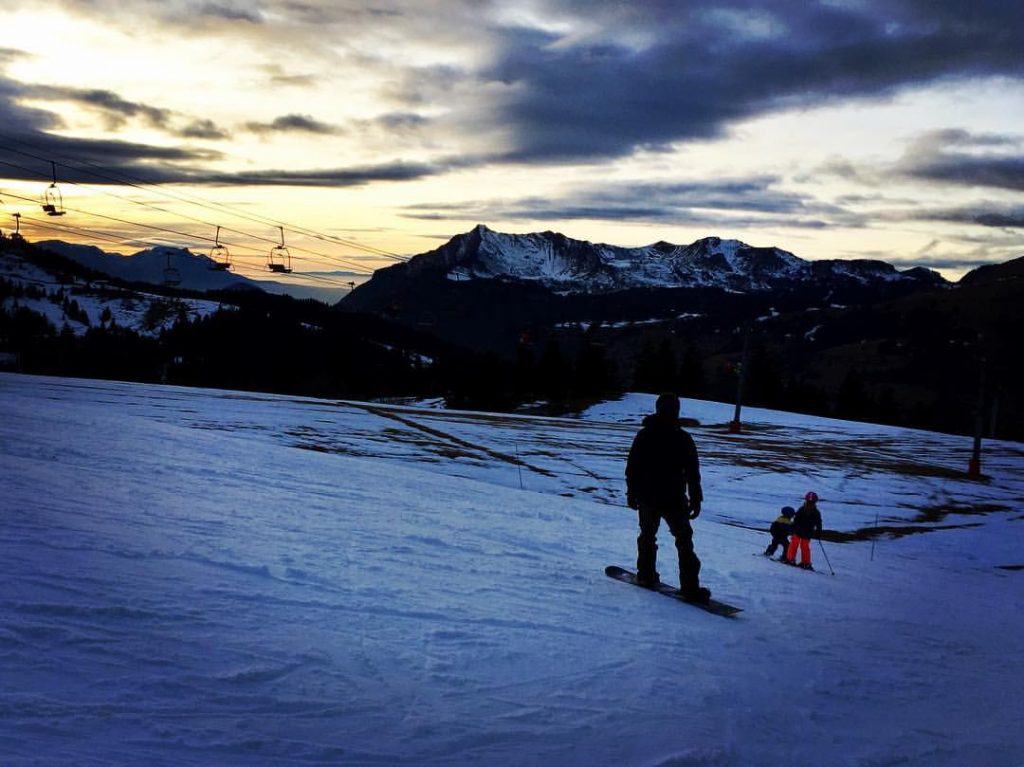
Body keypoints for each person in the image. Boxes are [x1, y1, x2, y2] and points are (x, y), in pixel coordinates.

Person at [625, 392, 709, 603]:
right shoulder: (682, 438)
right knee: (682, 541)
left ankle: (646, 575)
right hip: (671, 499)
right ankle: (689, 587)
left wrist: (632, 493)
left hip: (650, 497)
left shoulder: (646, 435)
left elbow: (632, 468)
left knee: (648, 536)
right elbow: (692, 473)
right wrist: (696, 499)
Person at [784, 492, 823, 570]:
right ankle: (805, 562)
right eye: (809, 501)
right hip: (804, 531)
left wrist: (819, 531)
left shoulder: (804, 510)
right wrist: (819, 532)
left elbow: (796, 520)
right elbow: (818, 523)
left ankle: (793, 560)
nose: (810, 503)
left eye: (811, 502)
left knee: (797, 545)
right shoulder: (814, 512)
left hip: (802, 531)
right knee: (802, 546)